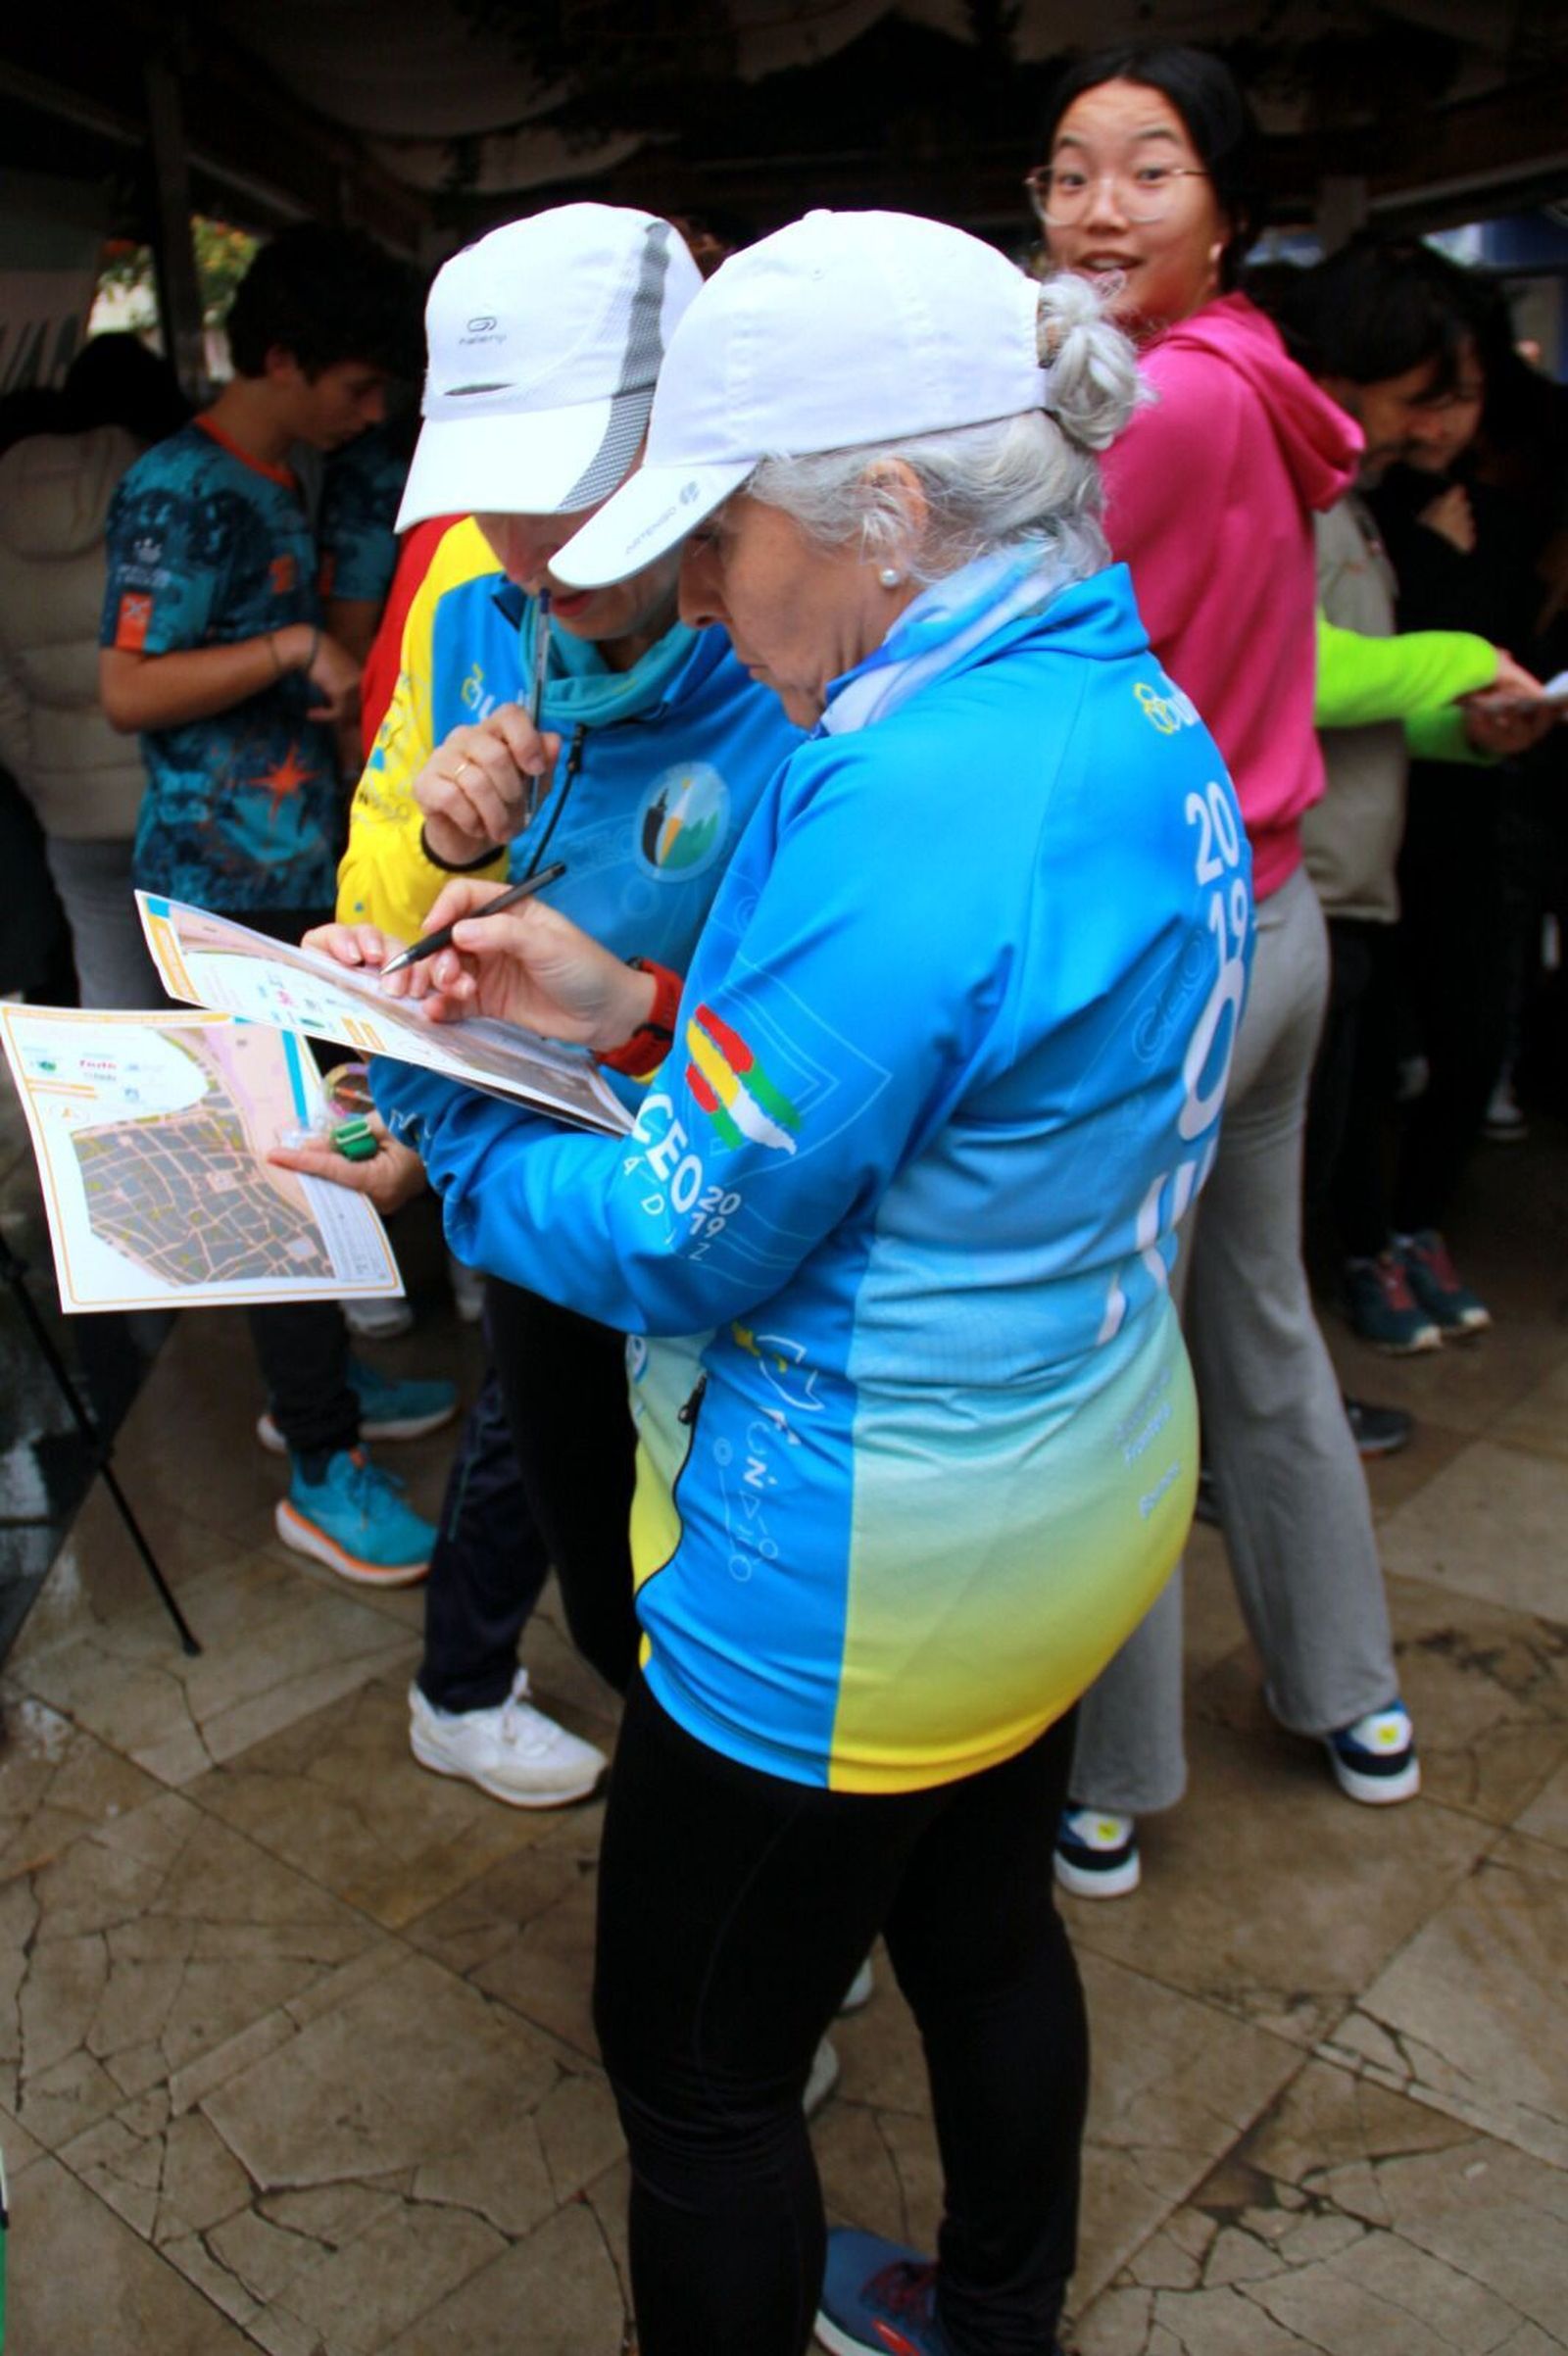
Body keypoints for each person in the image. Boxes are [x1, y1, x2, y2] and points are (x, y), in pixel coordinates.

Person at [285, 210, 1250, 2356]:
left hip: (854, 1570)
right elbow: (916, 1083)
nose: (704, 592)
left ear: (886, 515)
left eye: (724, 539)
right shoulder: (1106, 699)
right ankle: (993, 2312)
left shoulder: (902, 788)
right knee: (985, 1931)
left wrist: (441, 1108)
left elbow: (677, 1233)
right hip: (1070, 1485)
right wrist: (625, 995)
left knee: (701, 2071)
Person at [326, 205, 801, 1801]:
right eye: (496, 500)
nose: (533, 548)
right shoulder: (478, 612)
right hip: (548, 1171)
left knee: (733, 1568)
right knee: (592, 1548)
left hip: (737, 1192)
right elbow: (449, 897)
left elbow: (815, 1001)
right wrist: (454, 839)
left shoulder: (786, 657)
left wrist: (630, 993)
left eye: (577, 492)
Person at [1032, 41, 1418, 1901]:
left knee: (1120, 1355)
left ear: (1228, 210)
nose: (1101, 208)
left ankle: (1110, 1770)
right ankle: (1350, 1692)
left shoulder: (1152, 414)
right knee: (1259, 1322)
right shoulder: (1258, 377)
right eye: (1069, 172)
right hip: (1278, 927)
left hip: (1169, 951)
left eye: (1151, 172)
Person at [97, 224, 455, 1587]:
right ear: (287, 358)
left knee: (322, 1147)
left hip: (298, 881)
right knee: (276, 1176)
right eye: (361, 390)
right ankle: (319, 1466)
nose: (372, 418)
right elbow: (127, 691)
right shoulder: (177, 485)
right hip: (210, 886)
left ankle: (322, 1401)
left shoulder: (287, 474)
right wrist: (291, 647)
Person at [1275, 241, 1557, 1350]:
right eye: (1423, 397)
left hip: (1348, 887)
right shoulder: (1287, 491)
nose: (1436, 427)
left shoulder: (1358, 503)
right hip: (1297, 883)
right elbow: (1289, 669)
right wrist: (1461, 660)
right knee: (1279, 1187)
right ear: (1349, 369)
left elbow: (1365, 698)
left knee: (1304, 1166)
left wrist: (1473, 729)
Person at [0, 335, 188, 1008]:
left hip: (70, 811)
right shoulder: (164, 489)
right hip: (175, 801)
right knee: (208, 1014)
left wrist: (47, 777)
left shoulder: (6, 501)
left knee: (117, 1016)